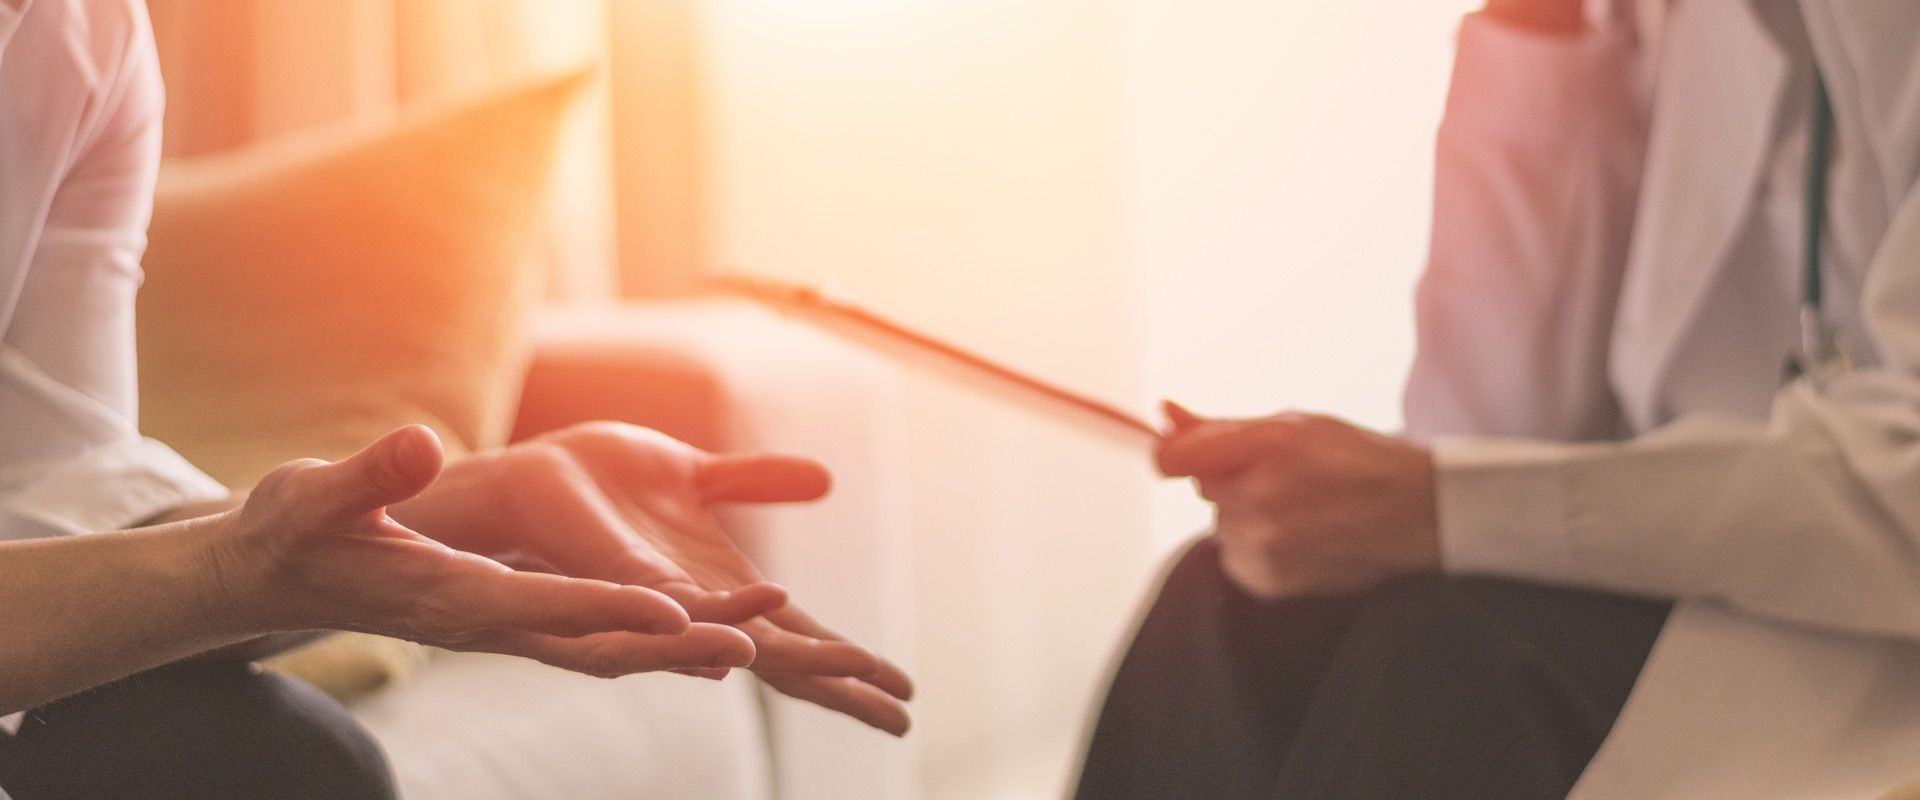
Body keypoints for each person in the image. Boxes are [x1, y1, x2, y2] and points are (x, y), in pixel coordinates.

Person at [0, 0, 909, 797]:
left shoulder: (81, 33)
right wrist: (229, 573)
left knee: (274, 758)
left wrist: (479, 502)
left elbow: (53, 489)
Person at [1075, 1, 1920, 798]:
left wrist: (1444, 504)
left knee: (1444, 665)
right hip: (1704, 560)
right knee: (1227, 602)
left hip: (1872, 621)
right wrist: (1535, 35)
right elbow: (1494, 423)